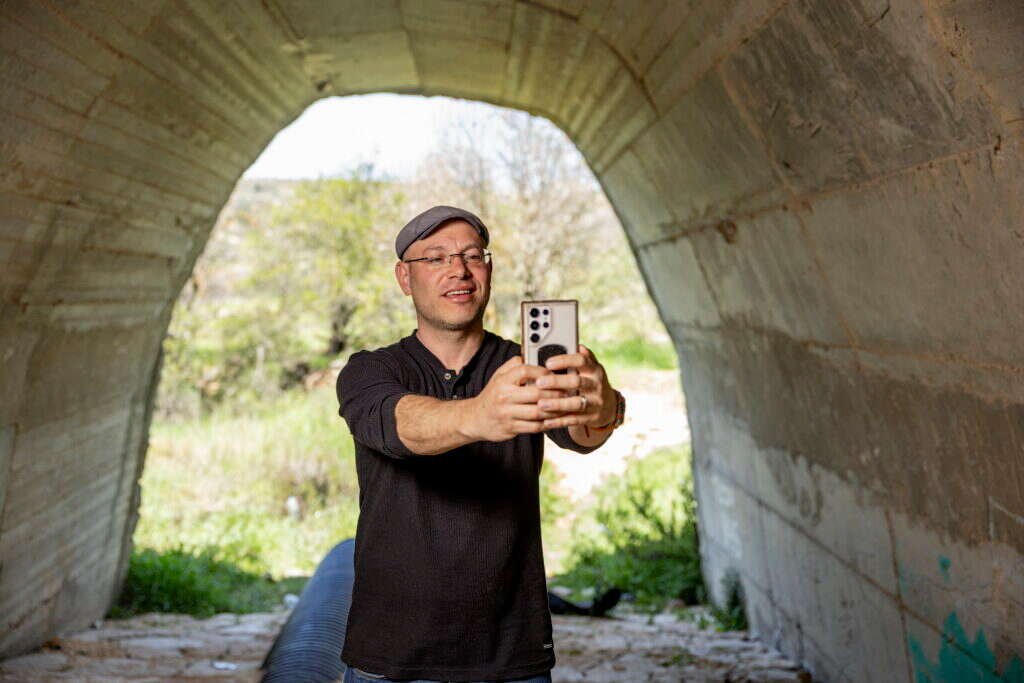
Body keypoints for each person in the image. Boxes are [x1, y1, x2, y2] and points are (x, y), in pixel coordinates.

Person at [335, 205, 626, 683]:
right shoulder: (370, 370)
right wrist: (479, 415)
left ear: (487, 270)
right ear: (404, 279)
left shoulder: (526, 365)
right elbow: (397, 424)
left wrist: (603, 408)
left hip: (512, 658)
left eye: (473, 255)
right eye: (436, 258)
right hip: (391, 658)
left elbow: (580, 433)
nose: (459, 269)